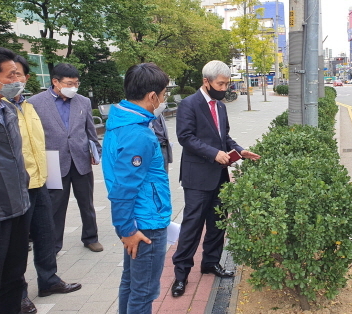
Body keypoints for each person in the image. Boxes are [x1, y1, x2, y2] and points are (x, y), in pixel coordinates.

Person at [171, 60, 260, 297]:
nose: (224, 88)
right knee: (192, 226)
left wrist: (240, 150)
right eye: (220, 84)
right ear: (206, 81)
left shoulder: (220, 107)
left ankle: (210, 262)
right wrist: (214, 153)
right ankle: (181, 275)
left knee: (217, 223)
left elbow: (224, 137)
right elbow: (185, 137)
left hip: (219, 176)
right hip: (197, 177)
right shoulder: (189, 105)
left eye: (226, 84)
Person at [6, 55, 81, 314]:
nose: (17, 80)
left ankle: (49, 280)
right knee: (17, 247)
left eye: (21, 75)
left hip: (41, 181)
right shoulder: (2, 109)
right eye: (11, 75)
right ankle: (19, 294)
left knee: (46, 235)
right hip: (16, 188)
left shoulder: (27, 106)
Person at [102, 63, 172, 312]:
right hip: (146, 223)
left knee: (131, 284)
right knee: (144, 292)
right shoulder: (137, 134)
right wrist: (126, 229)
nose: (164, 100)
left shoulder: (122, 121)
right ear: (152, 96)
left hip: (138, 219)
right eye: (164, 94)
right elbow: (123, 188)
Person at [28, 63, 103, 253]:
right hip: (53, 162)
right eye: (70, 83)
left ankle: (90, 237)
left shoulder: (83, 102)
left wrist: (96, 151)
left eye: (76, 83)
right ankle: (53, 244)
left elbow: (90, 131)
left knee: (87, 203)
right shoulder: (35, 103)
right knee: (54, 207)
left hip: (80, 160)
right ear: (55, 81)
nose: (74, 88)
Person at [0, 46, 31, 314]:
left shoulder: (7, 111)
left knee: (13, 280)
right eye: (10, 76)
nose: (17, 81)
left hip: (18, 207)